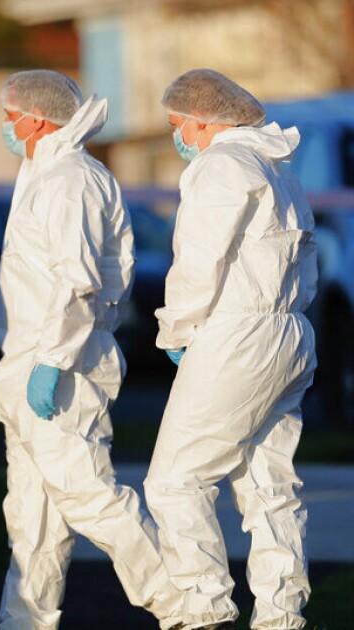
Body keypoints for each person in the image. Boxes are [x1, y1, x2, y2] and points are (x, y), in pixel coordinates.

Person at [0, 70, 181, 630]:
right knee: (32, 517)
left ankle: (186, 604)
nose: (6, 126)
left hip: (63, 363)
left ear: (37, 120)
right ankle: (24, 621)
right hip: (28, 362)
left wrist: (51, 362)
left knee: (88, 494)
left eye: (10, 116)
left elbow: (79, 283)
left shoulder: (71, 180)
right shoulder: (44, 173)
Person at [144, 69, 316, 630]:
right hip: (289, 333)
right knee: (269, 485)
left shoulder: (219, 166)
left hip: (237, 337)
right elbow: (307, 266)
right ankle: (281, 616)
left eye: (177, 124)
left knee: (175, 481)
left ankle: (204, 609)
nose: (177, 136)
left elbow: (199, 261)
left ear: (202, 119)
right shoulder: (278, 170)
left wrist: (176, 331)